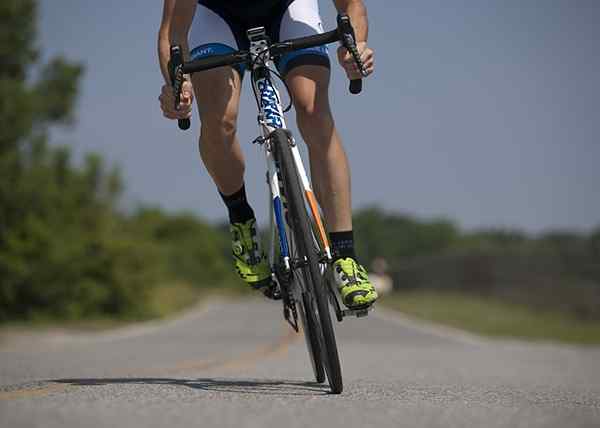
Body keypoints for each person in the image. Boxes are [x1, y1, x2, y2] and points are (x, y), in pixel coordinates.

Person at [158, 0, 377, 309]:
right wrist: (176, 86)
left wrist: (355, 47)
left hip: (289, 8)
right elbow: (172, 32)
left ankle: (345, 257)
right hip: (218, 16)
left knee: (313, 109)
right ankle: (241, 219)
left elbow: (352, 5)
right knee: (219, 119)